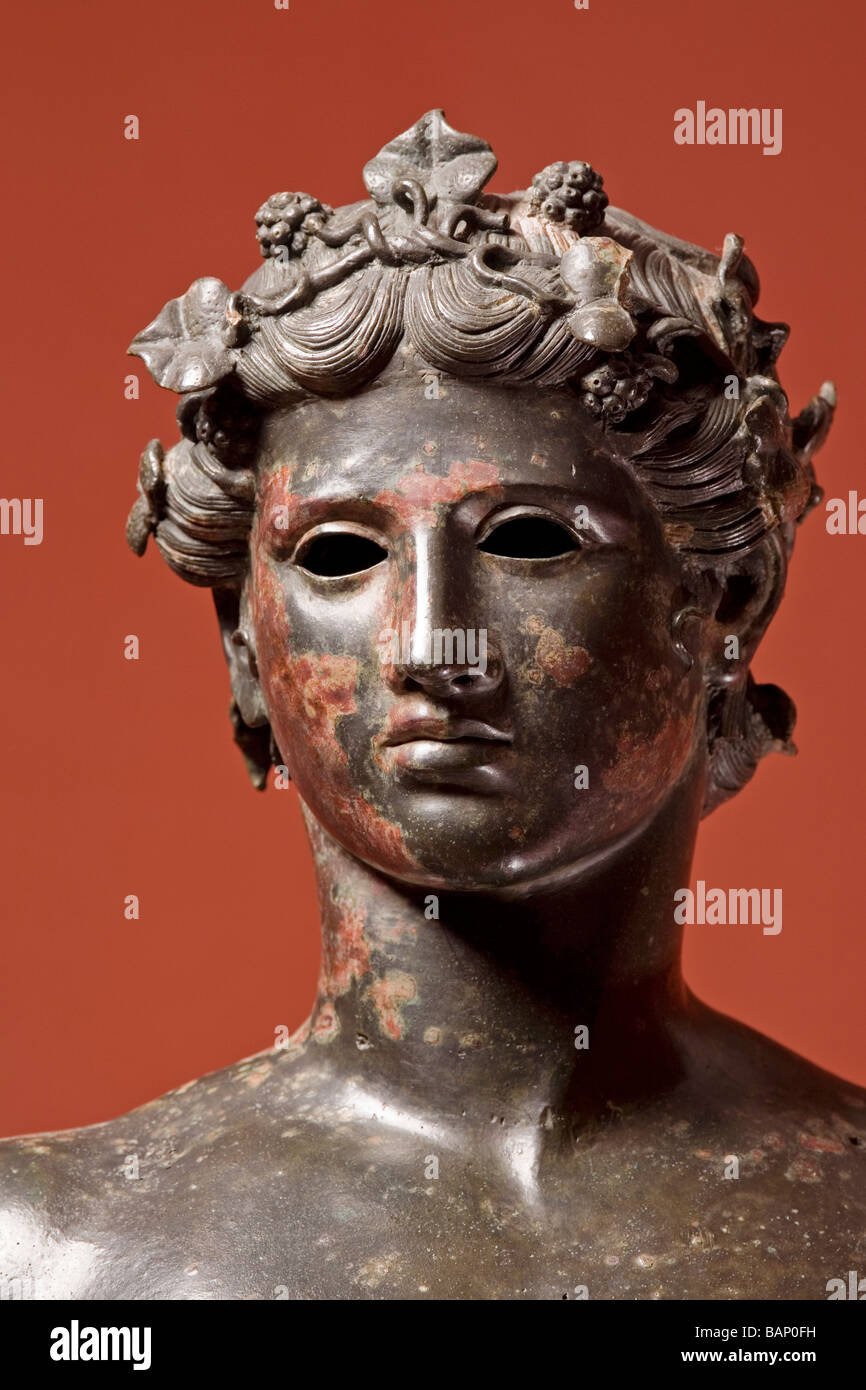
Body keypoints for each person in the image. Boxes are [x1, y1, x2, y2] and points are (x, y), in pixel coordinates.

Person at [1, 111, 858, 1301]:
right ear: (245, 647)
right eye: (340, 554)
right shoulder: (50, 1255)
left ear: (726, 604)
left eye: (527, 540)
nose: (429, 644)